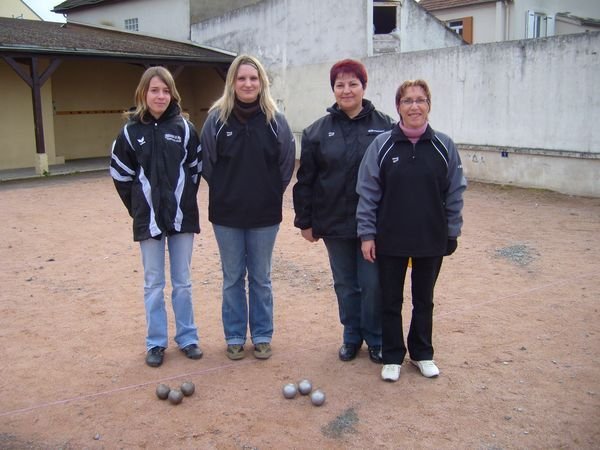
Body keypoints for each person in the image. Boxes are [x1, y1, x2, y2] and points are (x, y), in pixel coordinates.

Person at [356, 79, 467, 382]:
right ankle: (392, 355)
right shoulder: (382, 146)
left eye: (420, 100)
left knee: (424, 299)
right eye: (407, 101)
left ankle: (422, 353)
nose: (414, 106)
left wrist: (452, 231)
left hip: (431, 238)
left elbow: (455, 192)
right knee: (390, 299)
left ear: (429, 105)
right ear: (398, 107)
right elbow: (367, 193)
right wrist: (367, 234)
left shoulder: (444, 146)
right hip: (390, 238)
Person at [293, 59, 395, 364]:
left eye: (353, 83)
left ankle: (375, 337)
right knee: (345, 284)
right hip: (333, 222)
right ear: (333, 89)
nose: (347, 90)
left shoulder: (386, 127)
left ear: (364, 86)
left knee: (372, 283)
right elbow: (306, 180)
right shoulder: (316, 132)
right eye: (340, 84)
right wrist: (305, 221)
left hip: (373, 226)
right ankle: (352, 335)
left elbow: (393, 178)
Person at [200, 54, 295, 361]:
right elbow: (207, 164)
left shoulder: (275, 121)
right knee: (232, 278)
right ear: (232, 82)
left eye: (253, 78)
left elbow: (285, 164)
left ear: (262, 82)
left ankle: (263, 336)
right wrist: (228, 191)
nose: (247, 83)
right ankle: (235, 336)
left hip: (265, 216)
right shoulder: (216, 120)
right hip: (226, 215)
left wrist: (267, 193)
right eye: (241, 78)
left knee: (261, 278)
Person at [110, 66, 203, 368]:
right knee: (153, 283)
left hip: (180, 219)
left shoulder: (185, 129)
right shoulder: (129, 132)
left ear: (172, 94)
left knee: (183, 281)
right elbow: (121, 176)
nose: (160, 95)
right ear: (143, 94)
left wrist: (182, 201)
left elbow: (195, 170)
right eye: (154, 90)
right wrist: (139, 206)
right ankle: (156, 342)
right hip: (147, 220)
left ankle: (188, 338)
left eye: (165, 90)